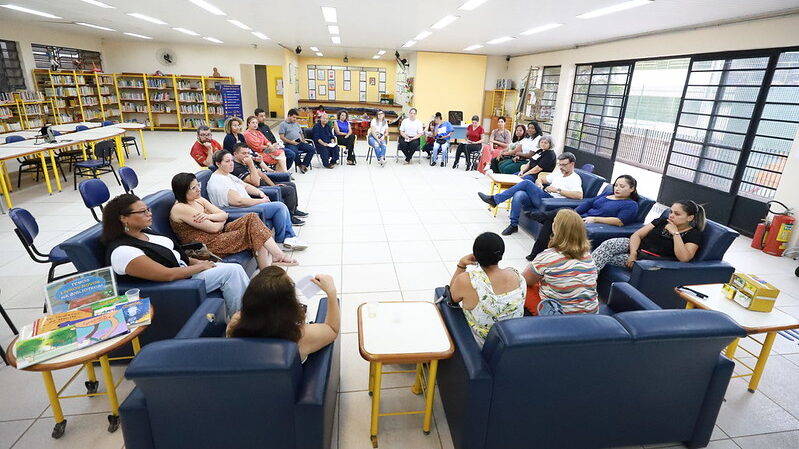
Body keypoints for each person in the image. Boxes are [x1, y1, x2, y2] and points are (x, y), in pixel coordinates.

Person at [102, 194, 249, 320]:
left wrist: (194, 261)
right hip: (176, 284)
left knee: (235, 270)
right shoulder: (123, 252)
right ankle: (240, 321)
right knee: (232, 272)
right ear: (123, 218)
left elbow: (172, 254)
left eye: (148, 209)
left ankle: (250, 313)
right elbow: (167, 275)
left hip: (185, 271)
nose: (149, 214)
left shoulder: (145, 231)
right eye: (143, 212)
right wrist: (199, 266)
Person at [169, 173, 297, 269]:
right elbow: (214, 228)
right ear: (182, 191)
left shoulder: (198, 199)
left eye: (198, 185)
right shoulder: (181, 208)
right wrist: (219, 219)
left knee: (252, 218)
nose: (198, 189)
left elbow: (223, 214)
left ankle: (274, 259)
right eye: (193, 188)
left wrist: (209, 217)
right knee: (255, 231)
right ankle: (272, 262)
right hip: (208, 244)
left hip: (218, 234)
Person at [227, 267, 340, 362]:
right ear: (289, 306)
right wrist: (331, 292)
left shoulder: (234, 325)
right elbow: (332, 329)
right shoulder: (301, 337)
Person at [207, 151, 308, 250]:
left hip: (246, 205)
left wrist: (261, 194)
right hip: (238, 210)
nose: (231, 163)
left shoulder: (227, 174)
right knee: (279, 207)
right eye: (227, 161)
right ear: (218, 164)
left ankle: (288, 238)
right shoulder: (219, 180)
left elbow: (245, 186)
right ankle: (286, 239)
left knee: (280, 206)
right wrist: (261, 201)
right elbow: (238, 202)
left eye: (232, 160)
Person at [525, 175, 640, 261]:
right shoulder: (607, 194)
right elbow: (589, 203)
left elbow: (620, 222)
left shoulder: (630, 205)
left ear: (632, 189)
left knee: (557, 215)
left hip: (591, 222)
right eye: (616, 185)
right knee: (559, 215)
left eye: (622, 186)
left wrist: (595, 219)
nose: (617, 188)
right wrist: (575, 213)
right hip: (582, 217)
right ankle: (538, 249)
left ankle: (537, 249)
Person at [448, 232, 525, 347]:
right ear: (501, 254)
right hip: (511, 340)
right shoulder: (518, 276)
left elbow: (452, 297)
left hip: (480, 345)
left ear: (475, 255)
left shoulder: (469, 280)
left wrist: (461, 265)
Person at [478, 152, 583, 235]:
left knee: (527, 183)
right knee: (519, 194)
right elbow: (542, 179)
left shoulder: (575, 178)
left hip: (552, 202)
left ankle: (495, 199)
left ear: (572, 164)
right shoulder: (559, 173)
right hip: (544, 195)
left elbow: (579, 195)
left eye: (564, 165)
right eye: (560, 165)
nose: (561, 167)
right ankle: (513, 225)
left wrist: (557, 190)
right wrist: (539, 183)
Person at [592, 200, 705, 272]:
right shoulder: (662, 221)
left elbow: (684, 258)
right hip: (635, 249)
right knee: (609, 244)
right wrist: (633, 253)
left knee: (606, 258)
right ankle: (582, 278)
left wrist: (675, 233)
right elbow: (637, 235)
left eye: (677, 214)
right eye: (671, 212)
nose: (671, 216)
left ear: (690, 217)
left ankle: (584, 281)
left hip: (648, 260)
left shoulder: (694, 234)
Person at [523, 209, 599, 315]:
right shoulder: (588, 255)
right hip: (592, 314)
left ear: (555, 228)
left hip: (560, 317)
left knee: (523, 287)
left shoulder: (547, 257)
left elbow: (524, 280)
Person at [230, 143, 307, 225]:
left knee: (291, 185)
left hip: (265, 184)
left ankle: (294, 210)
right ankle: (290, 217)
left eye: (248, 153)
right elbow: (256, 183)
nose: (247, 156)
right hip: (258, 189)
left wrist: (273, 185)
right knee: (288, 190)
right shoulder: (236, 167)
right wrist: (251, 164)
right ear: (235, 154)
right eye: (244, 153)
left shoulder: (244, 162)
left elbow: (262, 174)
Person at [279, 108, 316, 173]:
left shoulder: (296, 123)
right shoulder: (283, 124)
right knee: (294, 152)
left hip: (299, 142)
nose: (295, 119)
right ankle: (299, 164)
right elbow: (281, 137)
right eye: (294, 117)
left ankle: (304, 165)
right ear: (289, 116)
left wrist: (303, 140)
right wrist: (291, 142)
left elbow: (301, 133)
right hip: (289, 143)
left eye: (296, 118)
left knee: (312, 149)